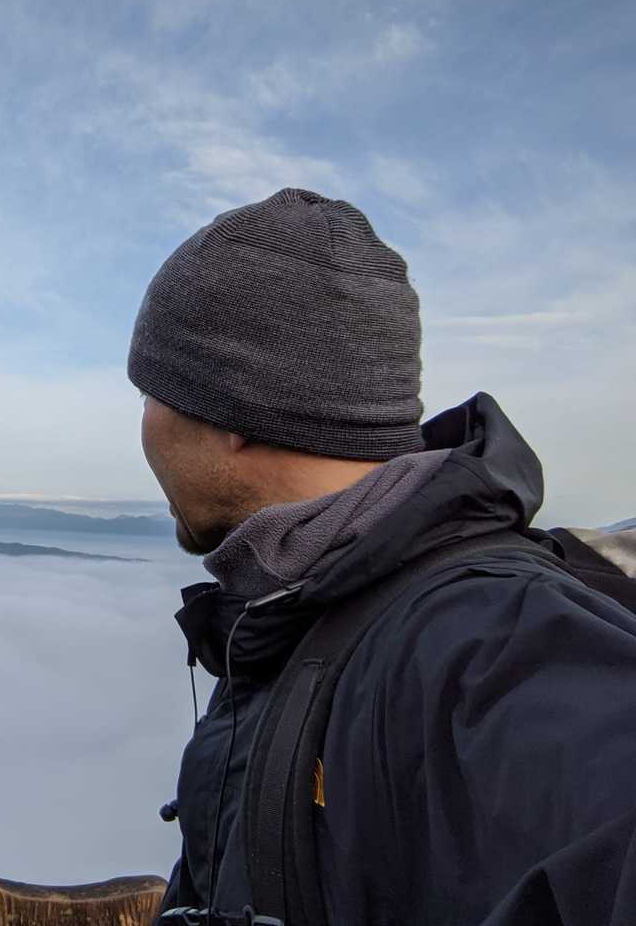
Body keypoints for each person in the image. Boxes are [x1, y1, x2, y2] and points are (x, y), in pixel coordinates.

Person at [128, 188, 636, 925]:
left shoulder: (485, 644)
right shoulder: (303, 604)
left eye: (149, 393)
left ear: (233, 409)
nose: (142, 426)